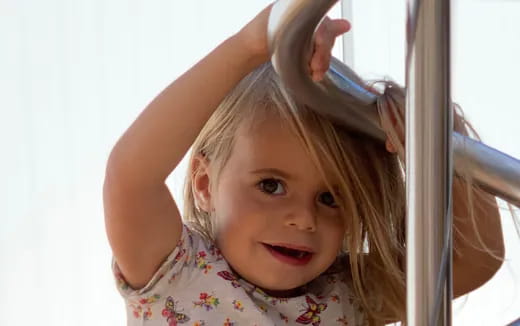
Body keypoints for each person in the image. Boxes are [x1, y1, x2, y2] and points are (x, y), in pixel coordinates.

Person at [103, 3, 504, 325]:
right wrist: (249, 46)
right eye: (271, 186)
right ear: (205, 185)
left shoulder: (348, 292)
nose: (303, 218)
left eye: (330, 198)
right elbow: (132, 179)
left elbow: (473, 261)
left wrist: (444, 138)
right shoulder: (176, 272)